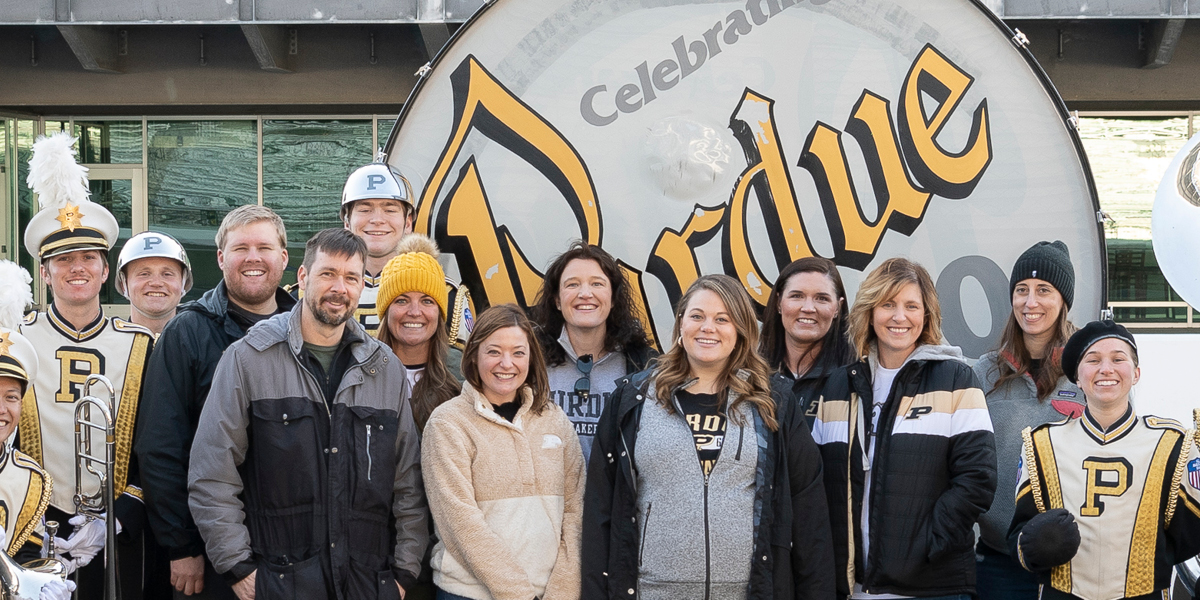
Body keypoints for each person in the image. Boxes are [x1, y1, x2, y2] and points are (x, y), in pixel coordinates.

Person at [188, 228, 427, 600]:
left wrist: (403, 573)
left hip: (367, 584)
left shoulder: (385, 368)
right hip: (278, 582)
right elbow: (212, 474)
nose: (340, 288)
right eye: (328, 274)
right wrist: (239, 569)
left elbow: (408, 483)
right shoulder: (249, 358)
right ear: (302, 277)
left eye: (351, 277)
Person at [582, 274, 835, 600]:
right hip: (652, 592)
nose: (708, 327)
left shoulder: (773, 404)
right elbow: (600, 512)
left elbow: (809, 516)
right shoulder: (633, 400)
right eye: (697, 316)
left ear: (741, 330)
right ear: (681, 324)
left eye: (722, 319)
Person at [811, 257, 996, 599]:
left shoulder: (956, 380)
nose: (899, 317)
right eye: (888, 304)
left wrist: (924, 547)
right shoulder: (839, 386)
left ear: (926, 315)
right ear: (870, 310)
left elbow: (977, 479)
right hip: (852, 586)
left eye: (912, 306)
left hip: (931, 585)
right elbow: (818, 484)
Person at [18, 131, 153, 599]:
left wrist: (120, 518)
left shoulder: (141, 345)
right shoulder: (14, 337)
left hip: (115, 529)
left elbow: (156, 444)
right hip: (26, 524)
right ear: (45, 271)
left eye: (89, 258)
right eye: (64, 259)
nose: (78, 267)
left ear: (103, 268)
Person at [136, 205, 296, 599]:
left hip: (296, 548)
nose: (253, 258)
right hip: (210, 554)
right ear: (221, 257)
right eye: (241, 248)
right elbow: (161, 448)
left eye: (265, 247)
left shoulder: (307, 331)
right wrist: (183, 547)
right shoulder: (186, 333)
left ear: (284, 258)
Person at [1008, 321, 1200, 600]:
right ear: (1077, 377)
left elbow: (1190, 536)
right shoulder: (1041, 444)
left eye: (1118, 359)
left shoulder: (1173, 443)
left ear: (1136, 374)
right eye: (1093, 360)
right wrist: (1036, 547)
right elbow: (1018, 535)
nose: (1106, 369)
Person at [421, 304, 584, 600]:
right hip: (468, 594)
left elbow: (576, 511)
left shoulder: (555, 419)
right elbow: (461, 525)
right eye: (494, 351)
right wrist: (519, 596)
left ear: (531, 357)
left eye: (518, 352)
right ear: (474, 355)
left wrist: (563, 590)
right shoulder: (448, 423)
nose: (506, 363)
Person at [973, 241, 1083, 600]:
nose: (1030, 302)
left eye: (1043, 290)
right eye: (1022, 290)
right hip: (999, 563)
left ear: (1063, 301)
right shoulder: (982, 374)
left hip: (1074, 560)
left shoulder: (1090, 373)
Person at [530, 241, 656, 461]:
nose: (585, 293)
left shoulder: (642, 365)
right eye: (572, 285)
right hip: (548, 494)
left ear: (613, 298)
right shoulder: (531, 360)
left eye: (597, 284)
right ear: (557, 300)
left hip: (614, 495)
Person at [0, 260, 74, 600]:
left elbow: (26, 553)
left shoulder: (30, 478)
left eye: (11, 397)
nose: (2, 409)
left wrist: (36, 581)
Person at [339, 161, 474, 346]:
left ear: (408, 222)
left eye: (390, 209)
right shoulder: (310, 292)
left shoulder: (445, 294)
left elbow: (458, 369)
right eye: (365, 209)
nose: (377, 219)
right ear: (347, 221)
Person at [375, 233, 464, 432]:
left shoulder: (465, 372)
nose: (415, 312)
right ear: (385, 310)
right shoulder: (359, 371)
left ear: (439, 311)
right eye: (401, 300)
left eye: (427, 301)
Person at [759, 256, 854, 427]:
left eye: (822, 298)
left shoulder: (856, 377)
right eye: (797, 296)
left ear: (838, 308)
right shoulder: (751, 374)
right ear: (779, 303)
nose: (808, 308)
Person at [115, 231, 193, 337]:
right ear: (123, 284)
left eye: (167, 274)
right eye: (144, 274)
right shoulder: (105, 348)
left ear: (184, 282)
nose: (156, 283)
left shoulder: (203, 345)